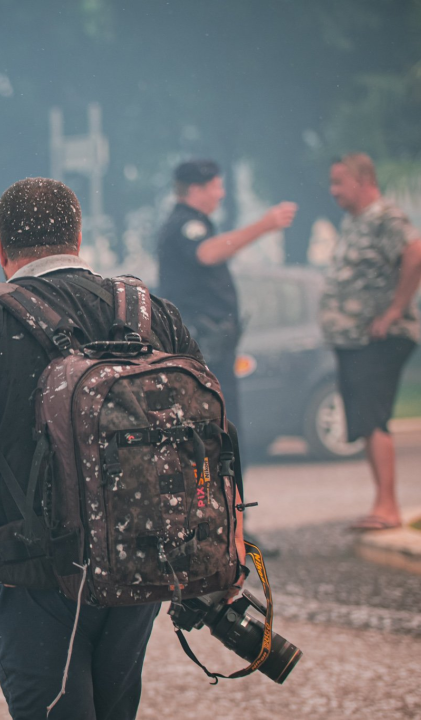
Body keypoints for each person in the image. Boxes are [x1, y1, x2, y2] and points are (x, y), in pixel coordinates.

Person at [0, 177, 224, 720]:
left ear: (0, 247)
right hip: (136, 566)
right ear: (78, 237)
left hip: (34, 566)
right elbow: (207, 435)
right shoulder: (150, 311)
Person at [156, 160, 296, 553]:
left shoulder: (191, 223)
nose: (220, 194)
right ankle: (225, 533)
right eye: (216, 187)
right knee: (217, 439)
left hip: (214, 352)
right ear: (196, 189)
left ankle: (232, 528)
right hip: (204, 356)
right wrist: (264, 226)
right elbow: (207, 253)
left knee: (222, 439)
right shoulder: (185, 225)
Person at [321, 153, 421, 531]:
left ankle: (389, 506)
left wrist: (395, 310)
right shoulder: (355, 221)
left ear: (364, 180)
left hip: (378, 339)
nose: (333, 191)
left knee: (375, 418)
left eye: (339, 183)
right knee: (366, 421)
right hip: (354, 341)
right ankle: (381, 503)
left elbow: (417, 253)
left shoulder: (386, 217)